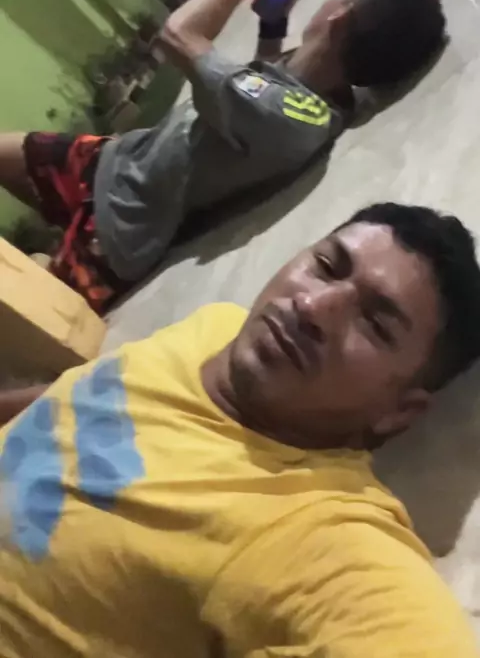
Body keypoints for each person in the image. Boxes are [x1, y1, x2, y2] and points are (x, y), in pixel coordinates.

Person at [1, 201, 480, 657]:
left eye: (374, 324)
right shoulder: (219, 327)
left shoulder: (310, 533)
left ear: (398, 412)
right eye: (327, 266)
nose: (311, 307)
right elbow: (73, 398)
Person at [0, 0, 446, 312]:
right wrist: (274, 20)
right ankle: (48, 247)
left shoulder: (289, 118)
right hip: (111, 160)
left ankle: (49, 258)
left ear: (338, 17)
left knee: (27, 308)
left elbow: (179, 35)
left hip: (117, 232)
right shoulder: (312, 96)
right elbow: (252, 97)